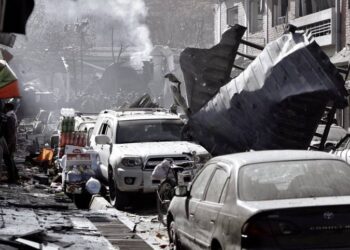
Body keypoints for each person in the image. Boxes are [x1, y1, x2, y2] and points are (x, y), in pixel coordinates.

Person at [2, 103, 19, 183]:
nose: (4, 108)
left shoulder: (10, 117)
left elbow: (10, 132)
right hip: (11, 140)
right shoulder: (12, 115)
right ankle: (15, 175)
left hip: (9, 141)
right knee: (10, 159)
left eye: (5, 107)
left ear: (8, 108)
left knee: (8, 159)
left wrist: (8, 143)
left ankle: (12, 178)